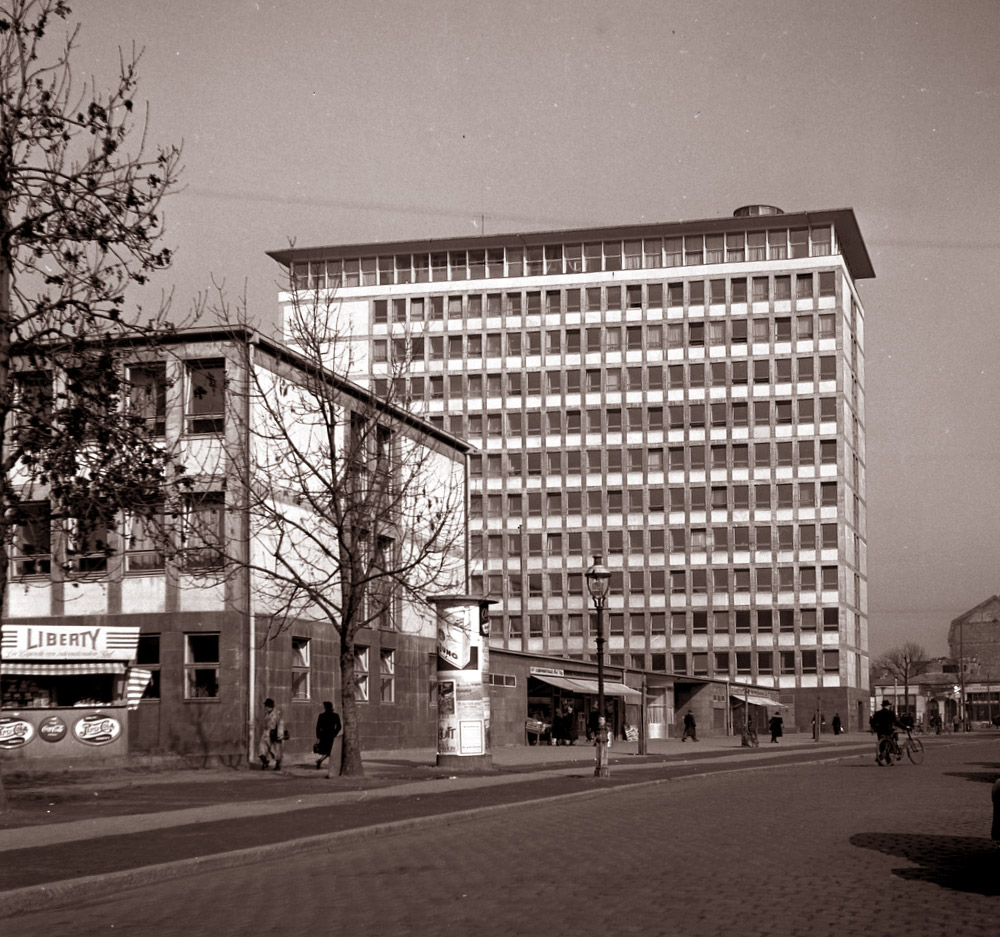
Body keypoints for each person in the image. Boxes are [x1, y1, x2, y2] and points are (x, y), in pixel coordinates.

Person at [869, 698, 903, 766]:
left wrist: (875, 728)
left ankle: (888, 760)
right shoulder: (890, 713)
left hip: (880, 731)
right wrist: (904, 727)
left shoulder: (878, 713)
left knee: (882, 744)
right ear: (888, 706)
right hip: (888, 730)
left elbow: (872, 721)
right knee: (890, 742)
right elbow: (896, 722)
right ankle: (885, 755)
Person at [258, 697, 285, 770]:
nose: (265, 707)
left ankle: (278, 765)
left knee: (274, 750)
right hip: (266, 733)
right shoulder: (266, 713)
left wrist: (280, 734)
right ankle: (265, 761)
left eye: (266, 706)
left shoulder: (276, 714)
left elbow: (280, 724)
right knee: (261, 748)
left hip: (273, 733)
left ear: (269, 706)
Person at [314, 700, 342, 770]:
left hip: (324, 735)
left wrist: (318, 736)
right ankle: (323, 762)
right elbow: (339, 726)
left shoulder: (321, 716)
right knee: (330, 751)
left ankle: (320, 761)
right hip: (331, 735)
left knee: (328, 751)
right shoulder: (335, 716)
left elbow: (318, 727)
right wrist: (335, 733)